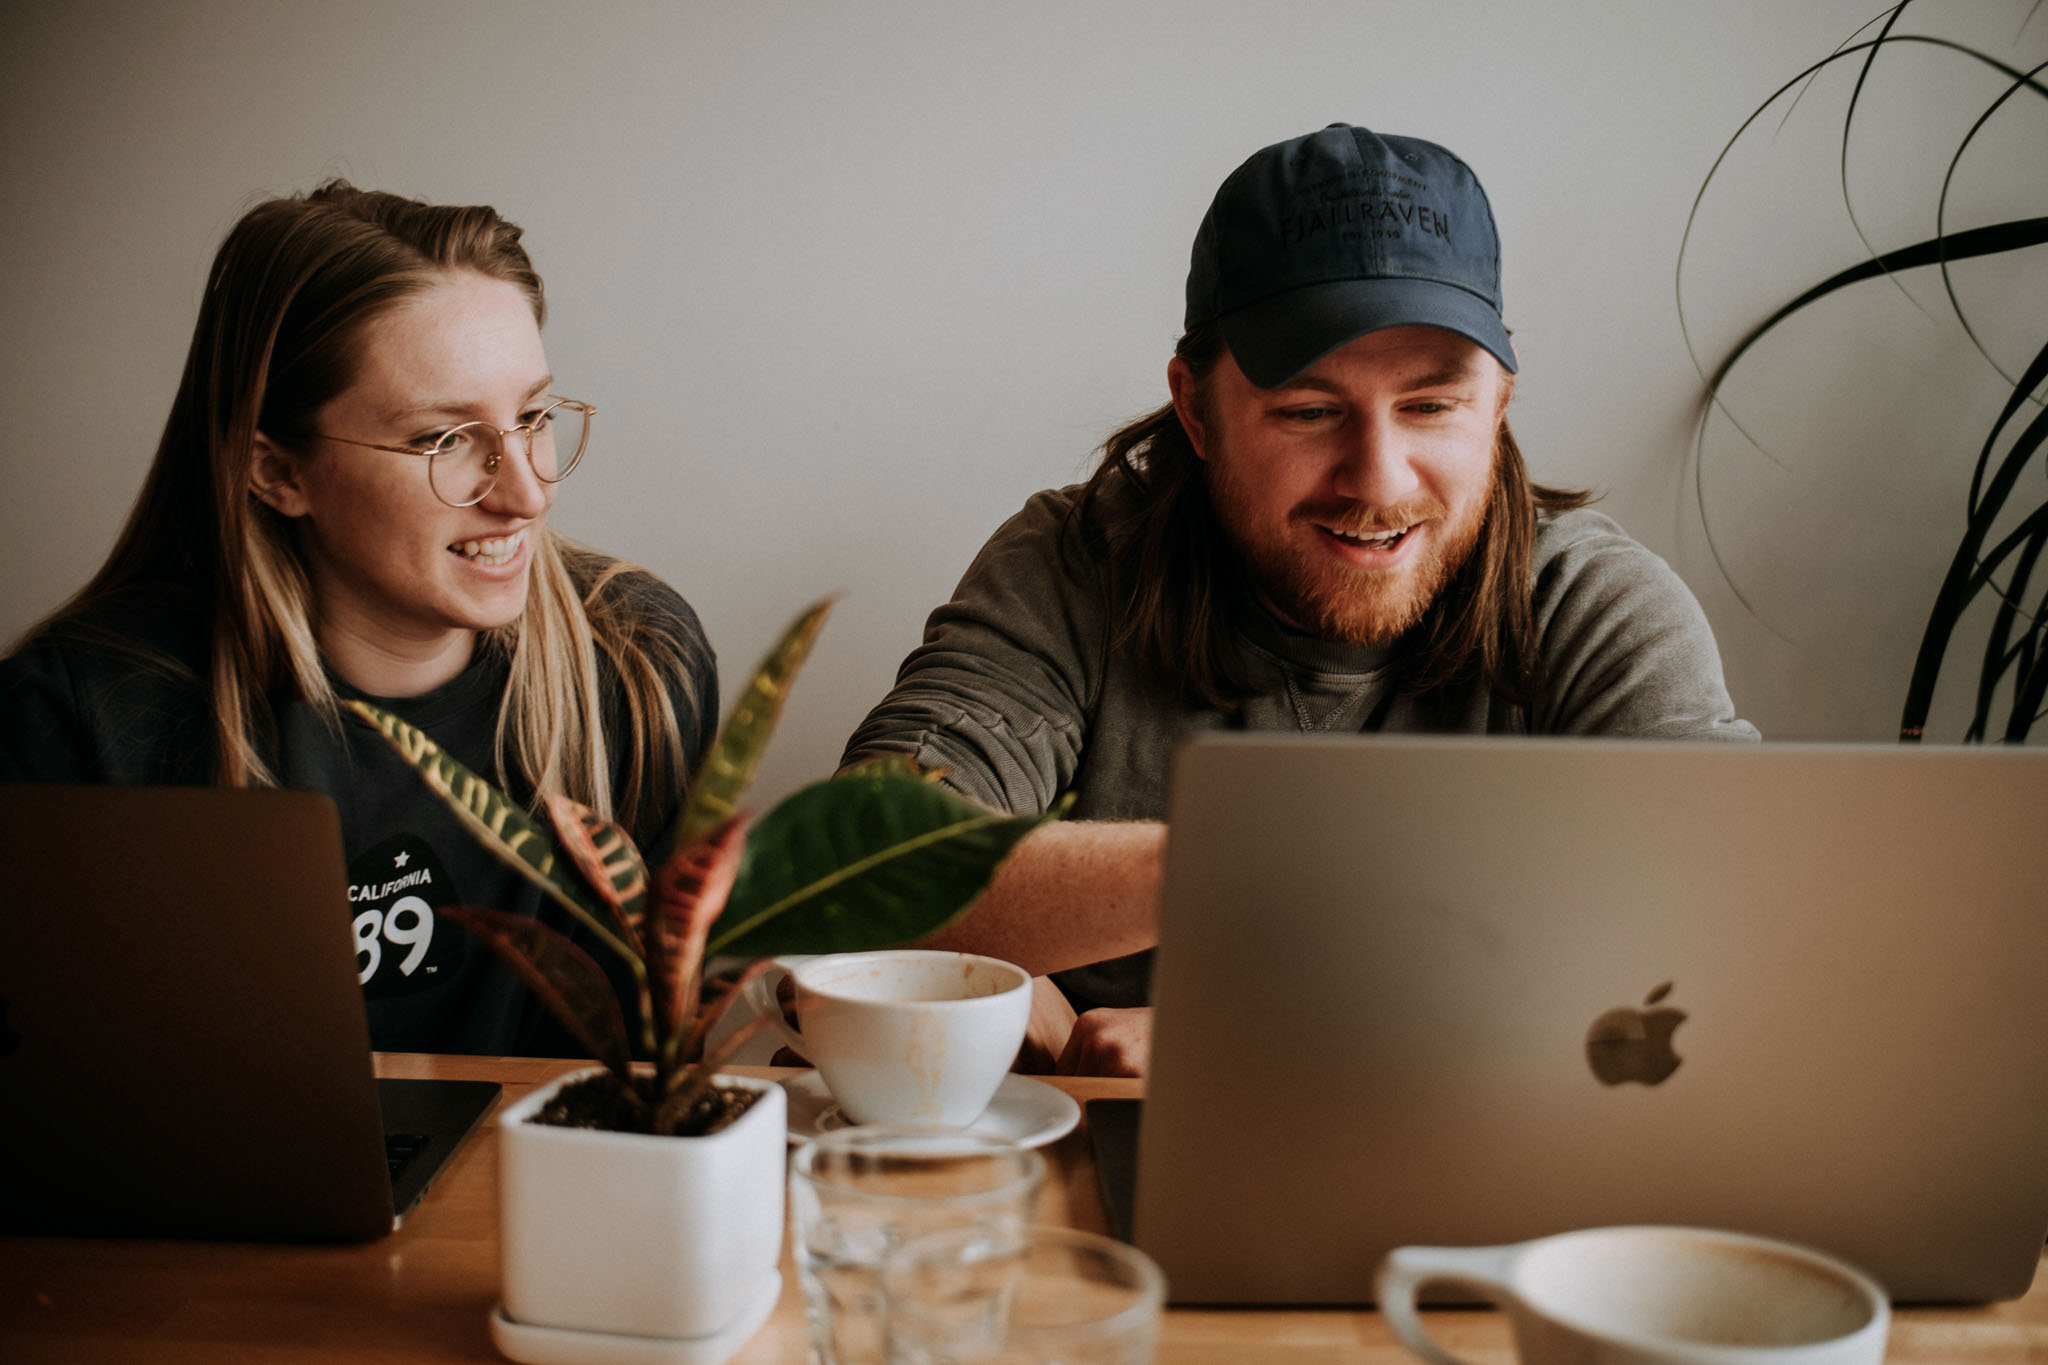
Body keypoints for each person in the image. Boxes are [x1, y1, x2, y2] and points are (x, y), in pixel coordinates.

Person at [843, 123, 1758, 1076]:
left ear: (1499, 401)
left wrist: (1270, 1038)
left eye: (1432, 406)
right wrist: (1243, 864)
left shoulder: (1594, 606)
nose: (1376, 478)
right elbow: (861, 861)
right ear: (1196, 410)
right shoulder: (1076, 566)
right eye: (1310, 411)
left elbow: (1744, 935)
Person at [0, 181, 717, 1056]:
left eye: (531, 417)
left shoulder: (635, 664)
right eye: (443, 439)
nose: (528, 492)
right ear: (278, 472)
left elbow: (658, 1056)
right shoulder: (81, 718)